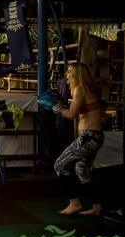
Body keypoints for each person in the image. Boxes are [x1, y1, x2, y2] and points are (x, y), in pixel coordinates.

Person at [42, 63, 104, 216]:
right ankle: (97, 206)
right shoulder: (87, 89)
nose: (66, 75)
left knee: (59, 165)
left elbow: (71, 115)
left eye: (69, 72)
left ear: (77, 74)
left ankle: (74, 203)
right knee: (81, 170)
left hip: (88, 137)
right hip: (95, 136)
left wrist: (54, 107)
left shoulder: (80, 89)